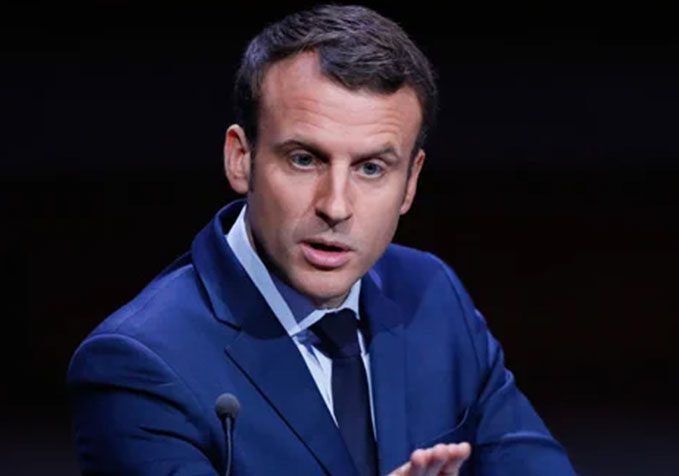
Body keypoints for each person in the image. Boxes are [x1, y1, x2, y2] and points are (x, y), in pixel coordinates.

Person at [67, 5, 575, 475]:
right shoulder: (139, 364)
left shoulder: (431, 295)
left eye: (371, 168)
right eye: (304, 159)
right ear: (241, 158)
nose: (335, 205)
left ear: (410, 182)